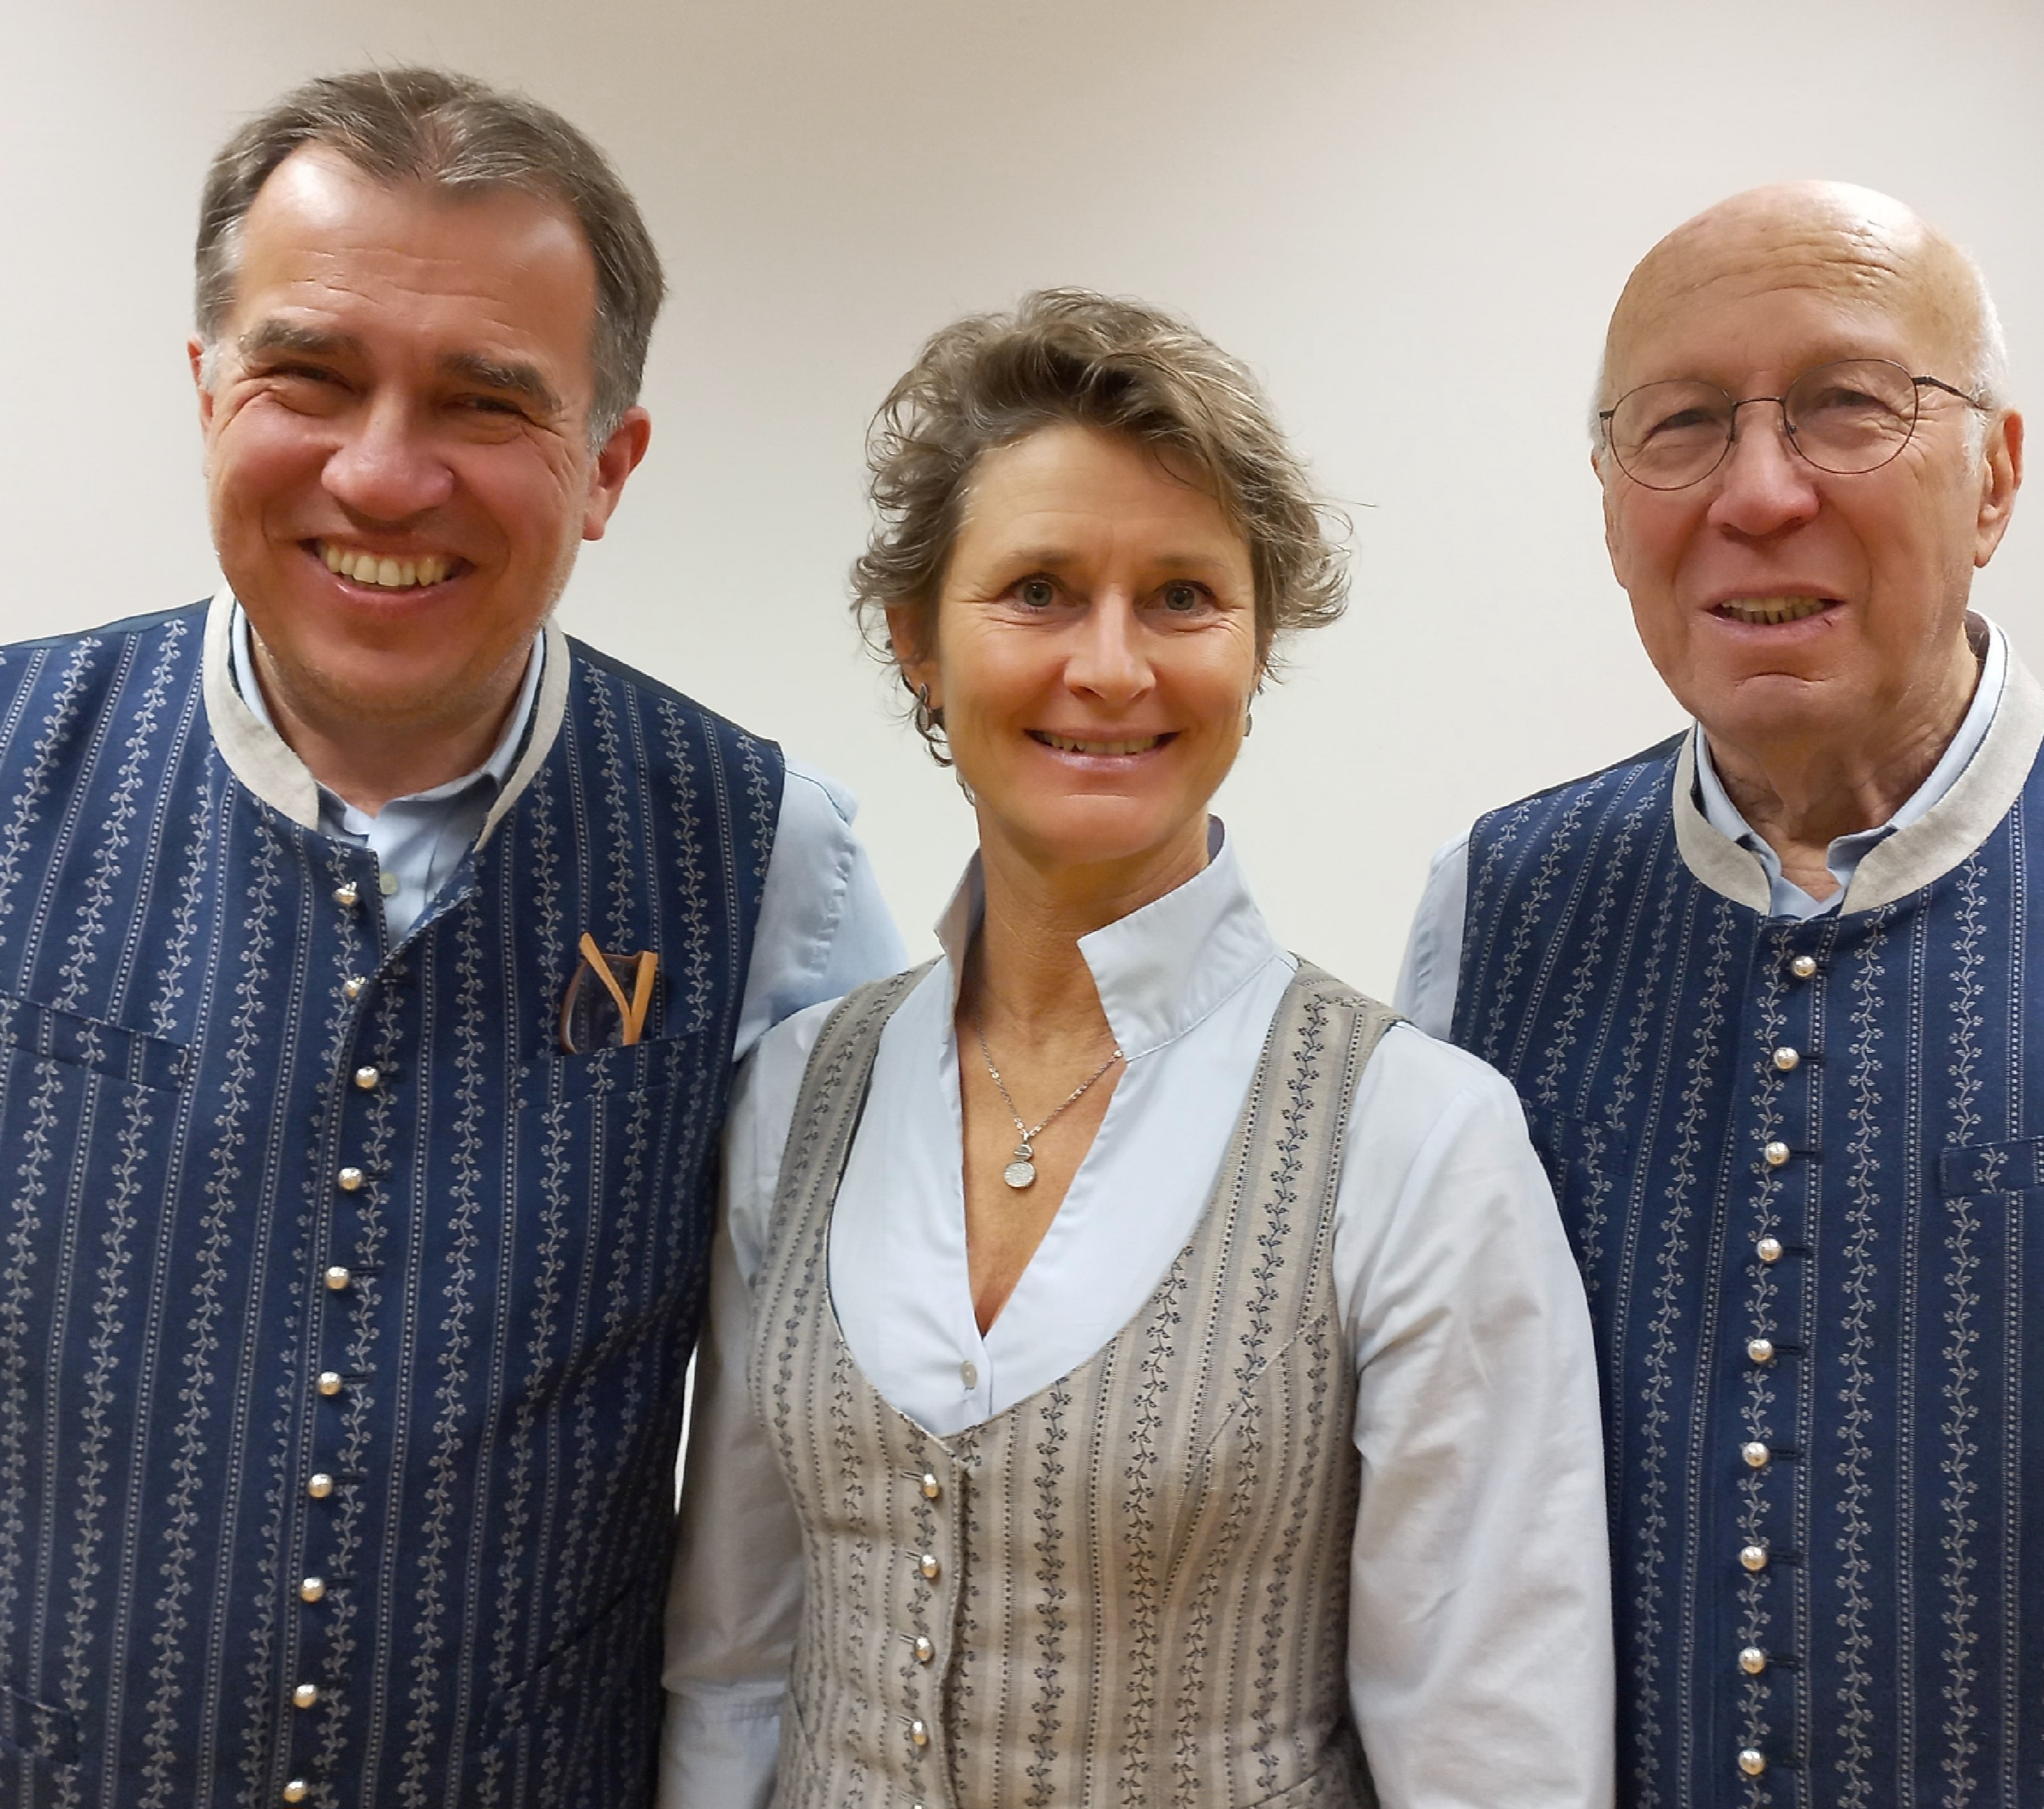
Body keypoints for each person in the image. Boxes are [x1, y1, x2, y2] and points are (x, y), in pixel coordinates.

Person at [0, 67, 905, 1807]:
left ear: (608, 465)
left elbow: (830, 1475)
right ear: (207, 391)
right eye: (307, 378)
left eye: (485, 402)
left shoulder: (771, 866)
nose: (380, 473)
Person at [1397, 180, 2044, 1806]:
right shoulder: (1489, 911)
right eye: (1681, 425)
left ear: (1996, 478)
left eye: (1846, 406)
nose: (1759, 493)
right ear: (1611, 505)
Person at [656, 290, 1614, 1809]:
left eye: (1181, 596)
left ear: (1257, 644)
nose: (1111, 666)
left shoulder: (1416, 1134)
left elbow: (1492, 1749)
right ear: (915, 640)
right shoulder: (796, 1093)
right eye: (1037, 590)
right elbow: (732, 1667)